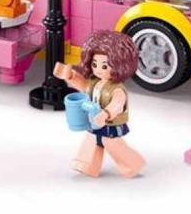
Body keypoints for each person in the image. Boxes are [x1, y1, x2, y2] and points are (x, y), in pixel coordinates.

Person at [53, 30, 146, 178]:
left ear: (120, 66)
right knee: (92, 140)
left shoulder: (116, 89)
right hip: (94, 120)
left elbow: (118, 104)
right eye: (94, 64)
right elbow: (84, 86)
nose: (98, 70)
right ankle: (88, 165)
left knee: (112, 144)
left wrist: (106, 113)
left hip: (109, 123)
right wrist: (70, 76)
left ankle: (133, 164)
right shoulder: (95, 82)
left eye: (104, 66)